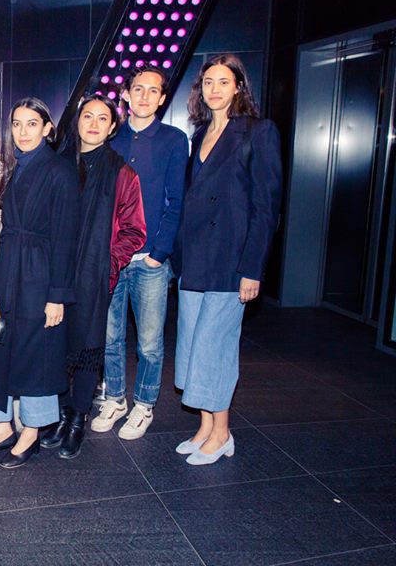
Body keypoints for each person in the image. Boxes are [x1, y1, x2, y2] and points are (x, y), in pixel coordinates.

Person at [173, 54, 282, 465]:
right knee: (192, 347)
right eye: (208, 82)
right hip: (195, 260)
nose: (214, 89)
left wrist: (252, 268)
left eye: (223, 81)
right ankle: (205, 428)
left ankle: (222, 434)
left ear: (238, 87)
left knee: (214, 348)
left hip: (231, 261)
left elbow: (266, 208)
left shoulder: (258, 131)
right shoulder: (200, 133)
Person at [0, 97, 79, 469]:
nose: (23, 131)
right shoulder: (14, 166)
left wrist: (57, 296)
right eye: (16, 124)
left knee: (37, 353)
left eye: (32, 124)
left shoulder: (60, 170)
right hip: (6, 268)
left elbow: (66, 238)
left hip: (39, 273)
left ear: (48, 128)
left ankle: (30, 431)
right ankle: (0, 427)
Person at [43, 95, 146, 458]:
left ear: (112, 127)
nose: (94, 124)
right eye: (88, 116)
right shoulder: (57, 164)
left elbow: (134, 231)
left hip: (93, 274)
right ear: (77, 121)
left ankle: (77, 419)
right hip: (54, 270)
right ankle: (58, 414)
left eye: (103, 118)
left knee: (88, 346)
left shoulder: (122, 173)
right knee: (55, 344)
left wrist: (107, 265)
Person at [91, 67, 188, 440]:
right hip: (112, 258)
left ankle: (144, 405)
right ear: (126, 94)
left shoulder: (173, 140)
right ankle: (115, 398)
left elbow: (176, 201)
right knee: (109, 336)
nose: (145, 96)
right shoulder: (110, 139)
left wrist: (158, 254)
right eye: (138, 89)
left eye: (153, 91)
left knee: (149, 342)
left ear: (162, 99)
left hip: (149, 260)